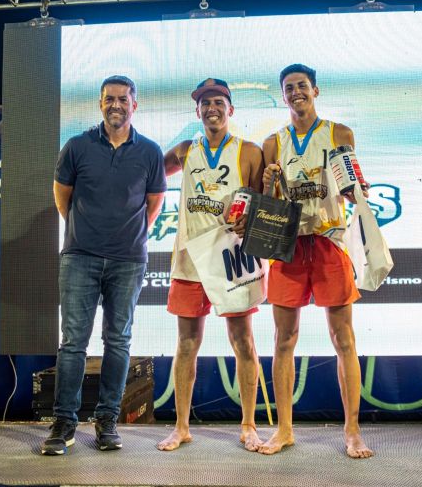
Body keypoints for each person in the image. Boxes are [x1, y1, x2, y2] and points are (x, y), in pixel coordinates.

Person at [43, 75, 167, 455]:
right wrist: (87, 235)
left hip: (128, 260)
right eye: (109, 99)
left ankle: (107, 422)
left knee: (118, 341)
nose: (116, 105)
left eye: (123, 99)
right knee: (73, 343)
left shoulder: (149, 151)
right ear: (101, 104)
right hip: (79, 257)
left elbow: (155, 202)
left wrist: (128, 237)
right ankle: (64, 423)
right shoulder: (77, 146)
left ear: (135, 104)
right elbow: (62, 199)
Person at [258, 64, 374, 459]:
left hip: (328, 243)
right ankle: (285, 430)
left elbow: (350, 189)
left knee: (344, 340)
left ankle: (352, 431)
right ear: (283, 95)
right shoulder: (272, 143)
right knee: (283, 340)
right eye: (289, 88)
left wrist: (359, 189)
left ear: (315, 91)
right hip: (289, 247)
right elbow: (268, 204)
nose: (296, 93)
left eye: (302, 86)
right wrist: (270, 185)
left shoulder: (339, 134)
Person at [156, 78, 264, 452]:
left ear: (230, 109)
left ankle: (249, 425)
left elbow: (263, 203)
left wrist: (249, 219)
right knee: (186, 343)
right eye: (204, 103)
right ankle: (182, 427)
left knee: (243, 341)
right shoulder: (186, 151)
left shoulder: (249, 151)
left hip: (232, 258)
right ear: (197, 111)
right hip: (190, 261)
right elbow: (149, 173)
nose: (211, 108)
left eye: (218, 101)